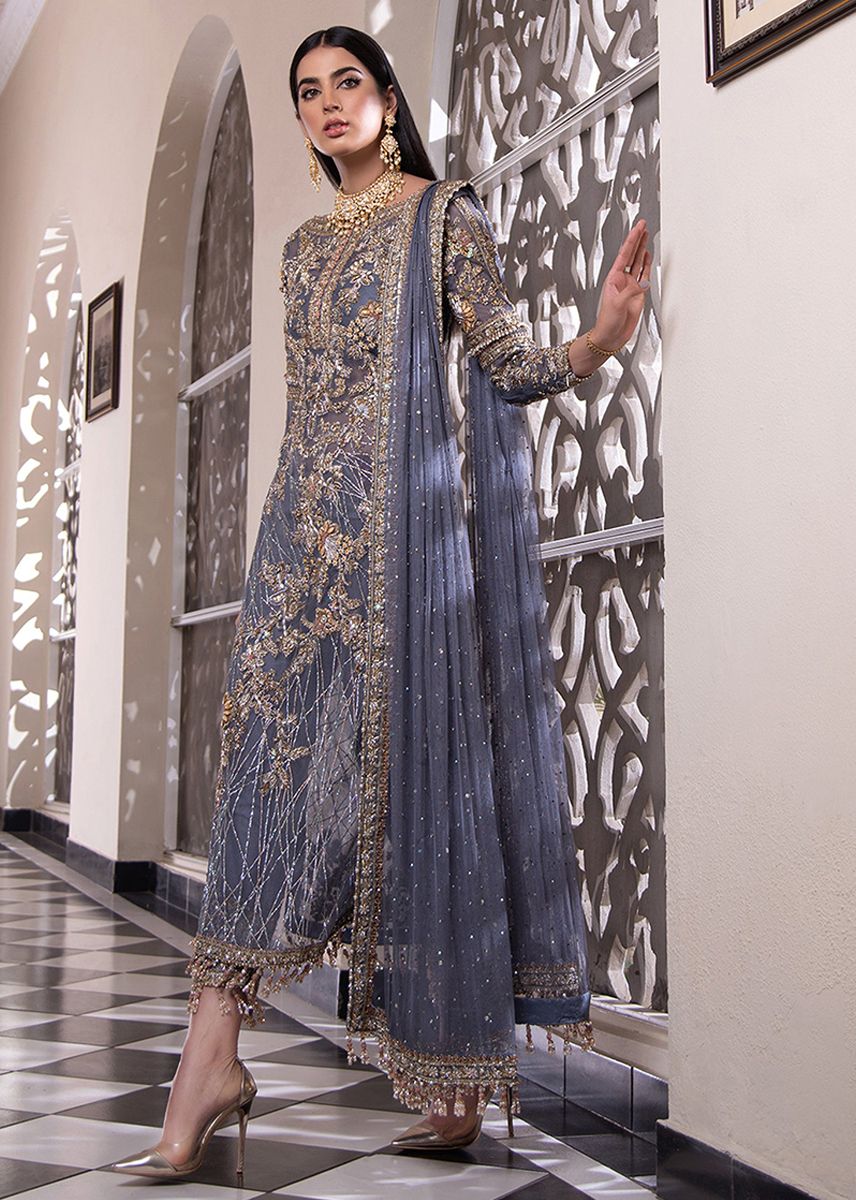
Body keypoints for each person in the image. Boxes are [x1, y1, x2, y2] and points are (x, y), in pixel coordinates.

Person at [110, 25, 651, 1182]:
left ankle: (448, 1085)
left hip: (404, 554)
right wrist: (278, 549)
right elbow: (311, 413)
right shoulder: (302, 250)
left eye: (347, 82)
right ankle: (211, 1060)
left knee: (421, 792)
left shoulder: (443, 217)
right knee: (261, 792)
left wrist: (599, 341)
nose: (327, 103)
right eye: (308, 91)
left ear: (390, 100)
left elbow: (502, 363)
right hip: (298, 556)